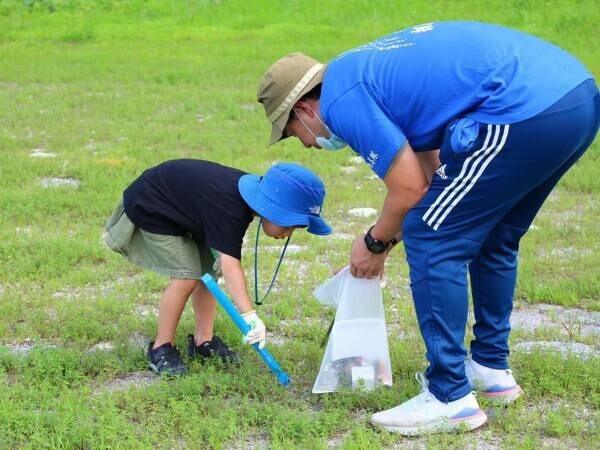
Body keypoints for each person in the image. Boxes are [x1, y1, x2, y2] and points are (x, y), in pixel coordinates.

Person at [257, 21, 599, 435]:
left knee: (432, 237)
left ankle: (449, 398)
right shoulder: (362, 72)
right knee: (492, 234)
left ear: (304, 109)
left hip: (519, 108)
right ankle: (490, 369)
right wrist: (381, 241)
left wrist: (375, 243)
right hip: (573, 97)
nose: (308, 145)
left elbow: (409, 188)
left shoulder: (341, 101)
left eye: (294, 133)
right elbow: (430, 177)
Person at [104, 159, 331, 376]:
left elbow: (223, 262)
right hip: (152, 205)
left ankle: (204, 341)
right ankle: (161, 347)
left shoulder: (243, 202)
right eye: (289, 225)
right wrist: (250, 316)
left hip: (186, 212)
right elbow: (230, 265)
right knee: (187, 276)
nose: (288, 234)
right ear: (274, 208)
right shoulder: (231, 208)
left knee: (208, 272)